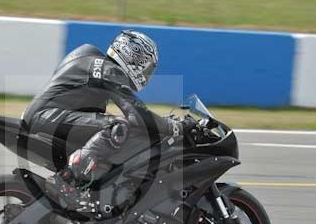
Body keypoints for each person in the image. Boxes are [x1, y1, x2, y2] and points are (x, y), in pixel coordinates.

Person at [22, 30, 198, 211]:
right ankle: (67, 180)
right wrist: (175, 127)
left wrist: (163, 122)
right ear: (132, 57)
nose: (146, 74)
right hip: (46, 117)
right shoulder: (108, 69)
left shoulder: (94, 60)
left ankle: (94, 189)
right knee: (118, 127)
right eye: (145, 67)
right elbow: (136, 114)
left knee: (115, 131)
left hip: (49, 116)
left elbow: (136, 111)